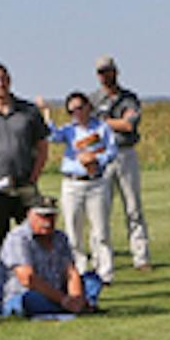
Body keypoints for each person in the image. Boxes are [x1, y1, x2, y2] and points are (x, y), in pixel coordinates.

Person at [42, 91, 118, 285]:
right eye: (72, 110)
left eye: (80, 108)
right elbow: (52, 135)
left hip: (96, 182)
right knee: (73, 229)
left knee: (100, 230)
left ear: (88, 107)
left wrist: (96, 159)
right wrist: (47, 114)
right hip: (72, 182)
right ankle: (79, 270)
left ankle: (104, 272)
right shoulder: (69, 130)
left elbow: (112, 150)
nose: (76, 112)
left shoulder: (101, 128)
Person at [0, 63, 51, 254]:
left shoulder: (28, 111)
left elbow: (42, 146)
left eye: (3, 79)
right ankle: (0, 280)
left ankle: (35, 279)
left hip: (24, 184)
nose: (0, 84)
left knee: (36, 234)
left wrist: (34, 177)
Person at [90, 58, 150, 272]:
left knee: (133, 207)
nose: (104, 76)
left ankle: (141, 257)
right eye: (100, 72)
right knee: (99, 209)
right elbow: (90, 127)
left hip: (125, 153)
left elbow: (128, 124)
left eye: (107, 71)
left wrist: (104, 122)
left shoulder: (129, 98)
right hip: (102, 155)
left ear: (116, 72)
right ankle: (100, 259)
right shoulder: (93, 99)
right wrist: (111, 124)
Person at [0, 199, 101, 319]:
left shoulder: (60, 237)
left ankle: (75, 307)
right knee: (29, 300)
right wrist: (63, 300)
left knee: (92, 280)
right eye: (42, 216)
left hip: (58, 292)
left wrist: (76, 297)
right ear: (29, 215)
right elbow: (27, 279)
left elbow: (71, 272)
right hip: (25, 294)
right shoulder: (18, 239)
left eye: (51, 216)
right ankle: (77, 307)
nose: (47, 222)